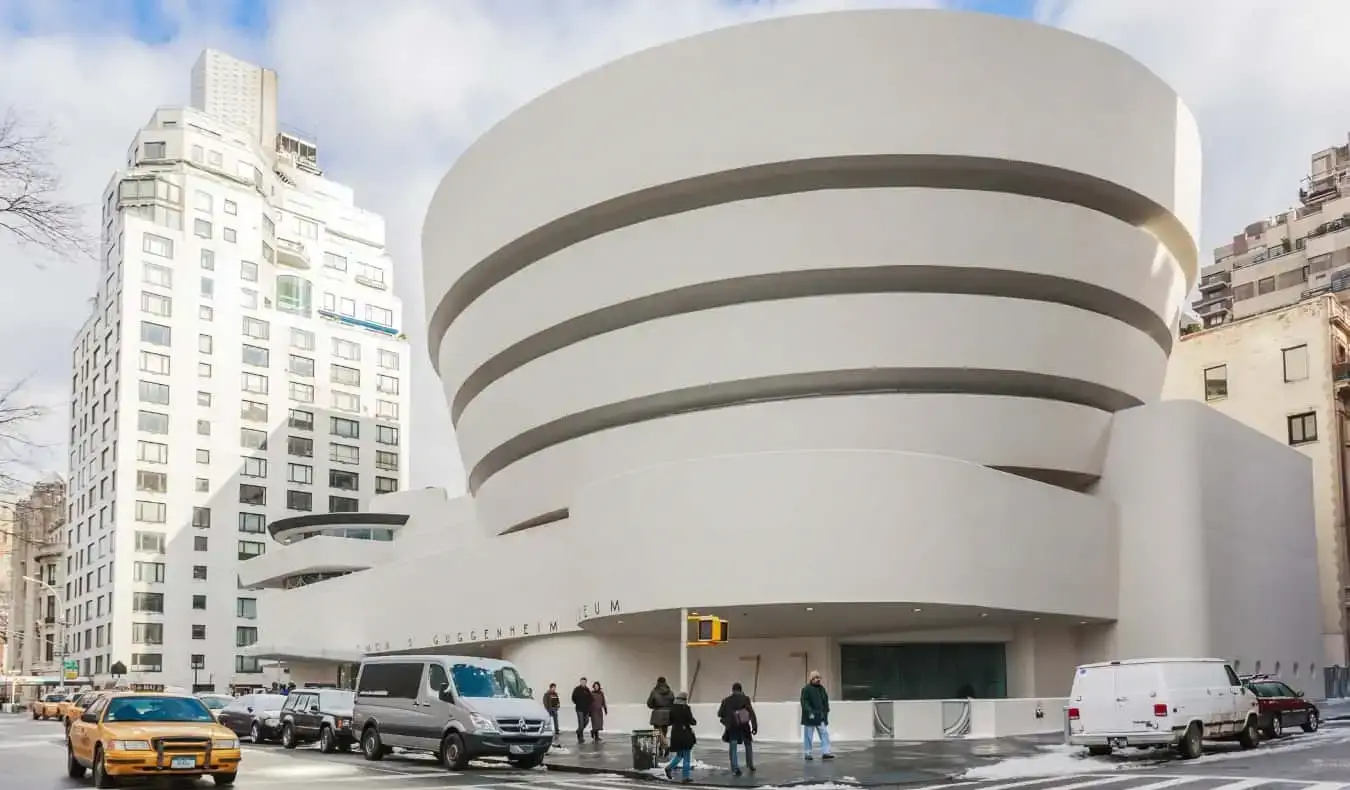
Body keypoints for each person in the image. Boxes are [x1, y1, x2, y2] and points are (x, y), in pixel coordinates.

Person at [717, 681, 757, 776]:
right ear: (741, 689)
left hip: (732, 726)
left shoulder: (726, 700)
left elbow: (720, 714)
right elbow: (751, 713)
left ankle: (735, 768)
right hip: (744, 726)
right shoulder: (745, 699)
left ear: (732, 690)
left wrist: (728, 718)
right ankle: (750, 764)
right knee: (748, 744)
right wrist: (754, 726)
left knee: (733, 747)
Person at [663, 691, 697, 783]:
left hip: (675, 733)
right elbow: (691, 721)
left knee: (679, 755)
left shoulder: (672, 708)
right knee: (686, 755)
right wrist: (694, 721)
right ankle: (685, 777)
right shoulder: (685, 708)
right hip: (685, 733)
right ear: (684, 700)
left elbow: (670, 721)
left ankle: (669, 768)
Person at [800, 670, 834, 760]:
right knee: (808, 736)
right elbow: (804, 702)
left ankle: (826, 752)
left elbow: (825, 701)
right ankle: (808, 753)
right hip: (810, 717)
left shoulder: (821, 689)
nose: (817, 679)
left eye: (818, 677)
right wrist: (810, 712)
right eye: (815, 678)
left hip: (820, 716)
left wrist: (826, 710)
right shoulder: (806, 689)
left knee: (824, 734)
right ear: (811, 679)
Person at [647, 675, 676, 748]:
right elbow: (673, 702)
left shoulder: (654, 691)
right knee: (664, 730)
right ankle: (662, 747)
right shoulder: (670, 692)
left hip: (657, 713)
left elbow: (649, 703)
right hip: (668, 713)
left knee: (658, 730)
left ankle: (664, 744)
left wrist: (654, 706)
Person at [571, 677, 594, 743]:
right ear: (580, 682)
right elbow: (573, 698)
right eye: (582, 682)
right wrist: (578, 703)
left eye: (584, 682)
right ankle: (580, 737)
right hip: (579, 709)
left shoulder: (587, 690)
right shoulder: (577, 689)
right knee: (581, 724)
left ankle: (578, 731)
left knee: (586, 721)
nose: (583, 683)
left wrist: (588, 705)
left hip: (586, 709)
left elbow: (591, 699)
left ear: (586, 682)